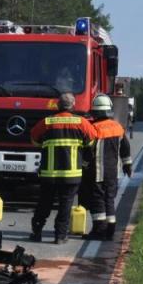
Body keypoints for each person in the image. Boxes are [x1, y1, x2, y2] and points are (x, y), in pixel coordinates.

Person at [29, 92, 97, 244]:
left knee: (44, 204)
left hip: (49, 174)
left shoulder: (47, 122)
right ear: (73, 105)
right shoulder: (81, 122)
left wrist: (44, 145)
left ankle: (37, 232)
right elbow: (92, 140)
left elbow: (33, 138)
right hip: (71, 175)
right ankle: (60, 236)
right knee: (65, 206)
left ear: (58, 105)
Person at [83, 93, 131, 240]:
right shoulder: (118, 127)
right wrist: (127, 165)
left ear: (95, 111)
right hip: (113, 174)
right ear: (109, 110)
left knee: (97, 202)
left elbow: (87, 152)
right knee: (109, 200)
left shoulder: (92, 129)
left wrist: (83, 167)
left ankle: (99, 231)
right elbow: (125, 149)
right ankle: (110, 229)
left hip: (97, 173)